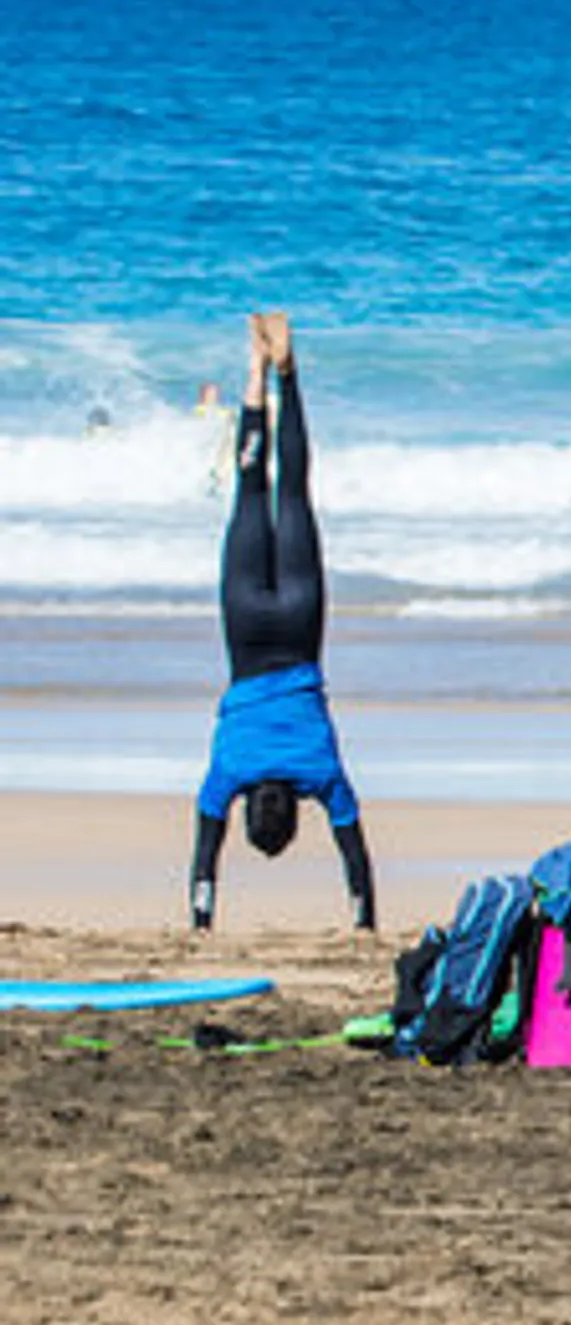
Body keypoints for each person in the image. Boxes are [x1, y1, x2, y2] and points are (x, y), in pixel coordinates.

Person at [191, 311, 376, 931]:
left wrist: (364, 921)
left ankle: (286, 374)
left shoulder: (322, 776)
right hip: (246, 625)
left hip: (298, 624)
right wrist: (200, 920)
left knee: (293, 490)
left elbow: (356, 856)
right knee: (252, 491)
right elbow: (204, 858)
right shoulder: (228, 776)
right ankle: (254, 369)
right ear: (249, 811)